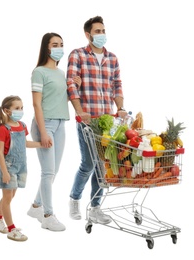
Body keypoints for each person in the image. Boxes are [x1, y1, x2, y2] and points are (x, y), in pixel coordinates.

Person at [67, 16, 127, 223]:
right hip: (87, 120)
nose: (102, 34)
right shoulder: (78, 55)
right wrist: (79, 110)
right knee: (88, 164)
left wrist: (120, 108)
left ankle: (95, 207)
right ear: (88, 34)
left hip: (106, 121)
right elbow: (71, 85)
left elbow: (117, 85)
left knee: (102, 165)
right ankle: (74, 199)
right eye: (97, 31)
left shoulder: (112, 58)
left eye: (103, 30)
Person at [27, 32, 80, 231]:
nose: (59, 47)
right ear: (46, 48)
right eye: (55, 44)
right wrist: (43, 132)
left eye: (61, 44)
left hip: (60, 124)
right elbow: (36, 104)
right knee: (48, 172)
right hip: (45, 124)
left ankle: (35, 207)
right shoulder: (39, 72)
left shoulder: (60, 72)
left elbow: (58, 100)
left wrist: (74, 86)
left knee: (53, 171)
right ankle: (48, 215)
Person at [0, 95, 45, 242]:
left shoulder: (22, 126)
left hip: (21, 166)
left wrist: (41, 144)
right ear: (7, 111)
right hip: (8, 167)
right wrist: (5, 172)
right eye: (17, 108)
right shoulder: (3, 129)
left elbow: (25, 144)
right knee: (7, 198)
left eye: (21, 108)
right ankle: (11, 229)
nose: (20, 110)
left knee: (10, 196)